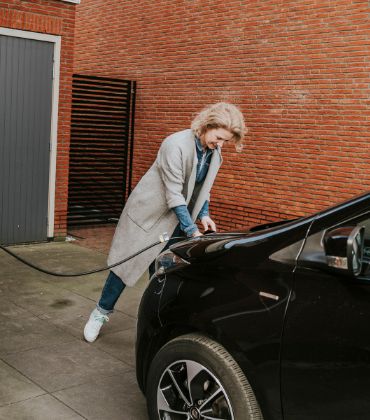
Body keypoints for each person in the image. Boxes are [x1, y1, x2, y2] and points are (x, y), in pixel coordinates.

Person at [83, 102, 246, 342]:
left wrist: (204, 215)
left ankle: (155, 324)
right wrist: (192, 231)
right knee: (125, 268)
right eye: (219, 138)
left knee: (164, 275)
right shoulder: (175, 145)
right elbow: (174, 194)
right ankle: (100, 312)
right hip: (149, 216)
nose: (221, 145)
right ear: (207, 125)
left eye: (226, 142)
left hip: (178, 220)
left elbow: (204, 188)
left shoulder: (213, 153)